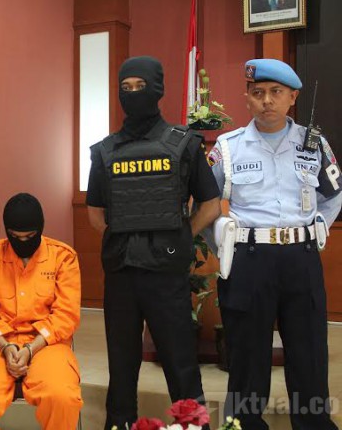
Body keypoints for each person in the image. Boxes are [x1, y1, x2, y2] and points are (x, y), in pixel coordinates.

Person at [85, 56, 221, 430]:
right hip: (122, 273)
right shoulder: (105, 150)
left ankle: (194, 427)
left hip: (166, 274)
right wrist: (127, 235)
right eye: (125, 88)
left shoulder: (184, 143)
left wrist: (182, 234)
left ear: (157, 89)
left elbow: (210, 204)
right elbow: (95, 213)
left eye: (140, 87)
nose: (132, 94)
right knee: (121, 366)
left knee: (181, 364)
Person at [208, 58, 341, 430]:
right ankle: (244, 423)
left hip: (301, 258)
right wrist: (222, 245)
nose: (266, 100)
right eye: (258, 93)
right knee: (247, 352)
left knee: (309, 349)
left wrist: (316, 229)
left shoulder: (314, 144)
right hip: (250, 259)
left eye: (275, 92)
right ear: (247, 98)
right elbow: (204, 203)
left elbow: (333, 195)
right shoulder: (228, 147)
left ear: (292, 97)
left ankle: (313, 424)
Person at [0, 193, 83, 430]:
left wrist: (31, 348)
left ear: (40, 229)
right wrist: (6, 346)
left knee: (62, 397)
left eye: (30, 236)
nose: (22, 242)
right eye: (15, 236)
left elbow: (66, 314)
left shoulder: (63, 257)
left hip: (48, 343)